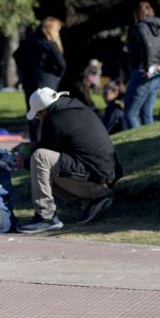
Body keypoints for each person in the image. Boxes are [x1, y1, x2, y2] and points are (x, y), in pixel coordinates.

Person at [18, 86, 121, 233]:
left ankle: (45, 217)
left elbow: (42, 155)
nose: (38, 119)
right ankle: (90, 202)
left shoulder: (54, 120)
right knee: (43, 162)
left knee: (40, 158)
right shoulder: (76, 108)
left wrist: (24, 160)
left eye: (37, 115)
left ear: (44, 111)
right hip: (104, 177)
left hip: (95, 181)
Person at [123, 1, 160, 128]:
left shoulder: (139, 27)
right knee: (147, 113)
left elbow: (147, 46)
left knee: (130, 113)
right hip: (157, 75)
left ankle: (135, 143)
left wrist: (148, 68)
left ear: (137, 15)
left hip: (143, 74)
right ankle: (149, 141)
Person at [15, 17, 68, 101]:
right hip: (47, 80)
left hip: (29, 79)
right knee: (47, 108)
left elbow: (17, 55)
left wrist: (22, 71)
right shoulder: (49, 44)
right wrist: (57, 75)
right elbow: (61, 64)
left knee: (33, 108)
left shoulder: (29, 40)